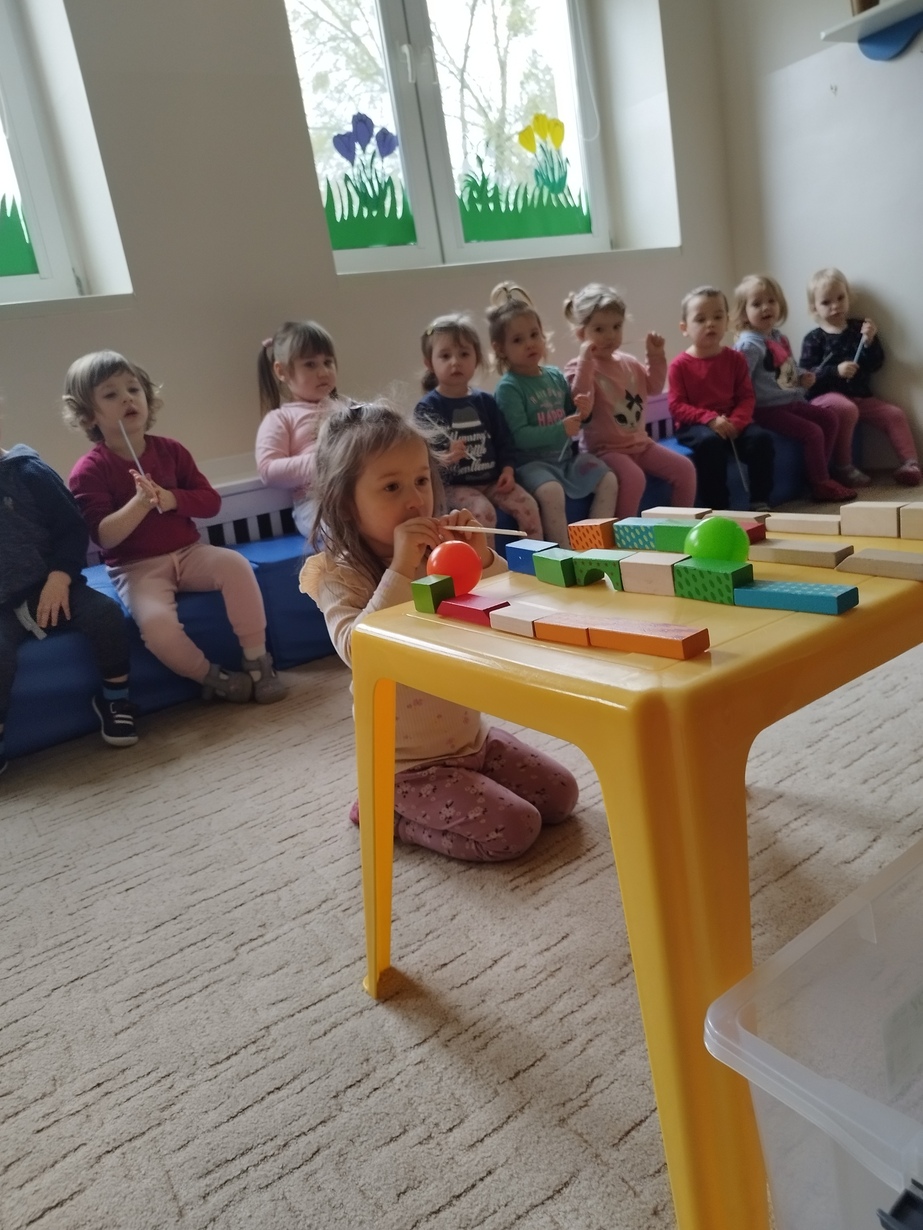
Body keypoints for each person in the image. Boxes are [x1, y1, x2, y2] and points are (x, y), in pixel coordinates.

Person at [298, 401, 578, 863]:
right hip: (406, 767)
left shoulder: (437, 552)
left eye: (421, 481)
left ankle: (469, 775)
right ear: (346, 502)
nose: (415, 500)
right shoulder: (337, 574)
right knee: (516, 828)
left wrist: (481, 558)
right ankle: (382, 810)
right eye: (391, 487)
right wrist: (401, 567)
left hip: (471, 738)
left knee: (561, 795)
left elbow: (503, 604)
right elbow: (359, 648)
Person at [64, 350, 287, 705]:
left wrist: (172, 499)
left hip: (189, 552)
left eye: (133, 389)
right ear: (89, 414)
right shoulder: (89, 471)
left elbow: (210, 502)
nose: (127, 399)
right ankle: (212, 677)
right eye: (111, 394)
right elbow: (103, 536)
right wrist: (139, 504)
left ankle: (258, 660)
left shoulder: (171, 451)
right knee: (157, 628)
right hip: (136, 569)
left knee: (236, 565)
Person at [0, 428, 138, 775]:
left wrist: (60, 577)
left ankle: (115, 700)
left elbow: (72, 528)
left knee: (105, 615)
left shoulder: (28, 472)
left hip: (50, 584)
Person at [487, 282, 618, 548]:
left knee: (608, 478)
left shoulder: (555, 375)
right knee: (551, 492)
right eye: (518, 340)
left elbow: (572, 417)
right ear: (500, 349)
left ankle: (593, 544)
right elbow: (518, 437)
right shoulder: (509, 387)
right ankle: (564, 551)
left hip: (565, 461)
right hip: (531, 466)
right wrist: (561, 429)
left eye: (534, 335)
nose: (529, 344)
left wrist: (583, 413)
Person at [562, 282, 697, 517]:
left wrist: (655, 355)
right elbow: (580, 402)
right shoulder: (578, 367)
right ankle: (626, 534)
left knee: (685, 469)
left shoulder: (629, 363)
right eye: (599, 329)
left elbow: (654, 387)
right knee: (634, 478)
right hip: (604, 450)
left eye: (616, 327)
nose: (610, 336)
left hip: (640, 444)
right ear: (582, 334)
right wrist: (585, 361)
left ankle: (680, 525)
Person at [413, 313, 542, 548]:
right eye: (445, 356)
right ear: (429, 364)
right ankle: (488, 565)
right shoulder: (428, 408)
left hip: (492, 481)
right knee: (482, 512)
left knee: (528, 505)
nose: (455, 362)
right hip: (454, 487)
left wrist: (508, 470)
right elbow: (423, 460)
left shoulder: (485, 401)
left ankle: (537, 559)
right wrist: (446, 457)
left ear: (477, 358)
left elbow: (504, 440)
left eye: (464, 354)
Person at [732, 273, 856, 504]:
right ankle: (820, 482)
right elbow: (739, 381)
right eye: (756, 304)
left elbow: (790, 368)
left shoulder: (778, 337)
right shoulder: (748, 345)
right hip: (767, 409)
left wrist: (802, 377)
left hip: (791, 401)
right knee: (813, 432)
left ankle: (818, 473)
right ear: (743, 313)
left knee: (829, 419)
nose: (766, 307)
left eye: (771, 301)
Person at [800, 267, 921, 488]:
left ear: (848, 296)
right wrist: (835, 371)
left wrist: (869, 342)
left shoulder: (858, 329)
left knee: (894, 414)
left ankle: (910, 464)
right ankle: (843, 467)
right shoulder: (814, 338)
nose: (835, 306)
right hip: (826, 397)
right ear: (814, 307)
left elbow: (876, 364)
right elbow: (806, 375)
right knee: (847, 409)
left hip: (860, 397)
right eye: (826, 302)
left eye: (840, 298)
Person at [668, 285, 775, 511]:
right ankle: (718, 508)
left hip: (732, 422)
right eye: (700, 319)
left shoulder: (735, 359)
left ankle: (760, 500)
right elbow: (677, 406)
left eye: (717, 317)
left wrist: (736, 422)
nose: (710, 324)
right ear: (684, 328)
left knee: (761, 440)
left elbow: (746, 397)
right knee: (710, 444)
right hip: (696, 426)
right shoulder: (679, 365)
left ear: (727, 321)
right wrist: (709, 419)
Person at [255, 320, 357, 537]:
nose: (323, 372)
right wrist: (326, 462)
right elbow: (268, 470)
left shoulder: (349, 407)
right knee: (341, 533)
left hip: (358, 492)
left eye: (328, 362)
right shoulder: (281, 418)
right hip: (316, 502)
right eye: (310, 364)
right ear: (282, 371)